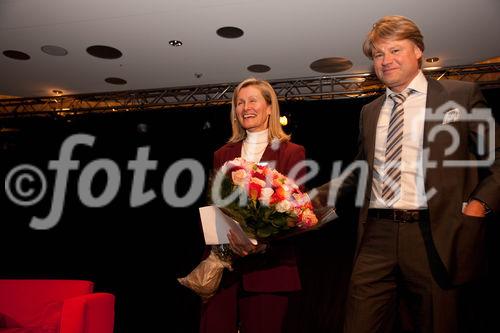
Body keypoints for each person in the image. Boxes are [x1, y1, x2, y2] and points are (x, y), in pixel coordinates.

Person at [313, 15, 499, 332]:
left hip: (435, 234)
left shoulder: (460, 96)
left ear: (418, 51)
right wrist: (309, 197)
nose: (386, 61)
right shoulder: (369, 111)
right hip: (375, 237)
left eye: (395, 50)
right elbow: (360, 172)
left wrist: (479, 205)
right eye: (378, 54)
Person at [199, 77, 307, 333]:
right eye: (239, 102)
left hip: (269, 268)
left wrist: (259, 241)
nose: (245, 107)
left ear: (269, 107)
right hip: (223, 267)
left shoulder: (291, 152)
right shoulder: (222, 154)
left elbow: (295, 212)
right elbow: (216, 205)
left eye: (252, 100)